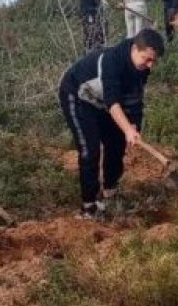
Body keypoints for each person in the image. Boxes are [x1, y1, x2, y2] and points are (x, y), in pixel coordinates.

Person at [59, 29, 165, 218]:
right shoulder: (112, 61)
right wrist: (127, 129)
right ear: (135, 49)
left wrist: (133, 126)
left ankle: (109, 193)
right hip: (78, 94)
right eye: (146, 59)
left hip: (101, 101)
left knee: (117, 143)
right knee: (90, 149)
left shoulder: (141, 70)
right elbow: (113, 103)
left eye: (153, 61)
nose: (150, 65)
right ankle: (88, 206)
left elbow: (135, 99)